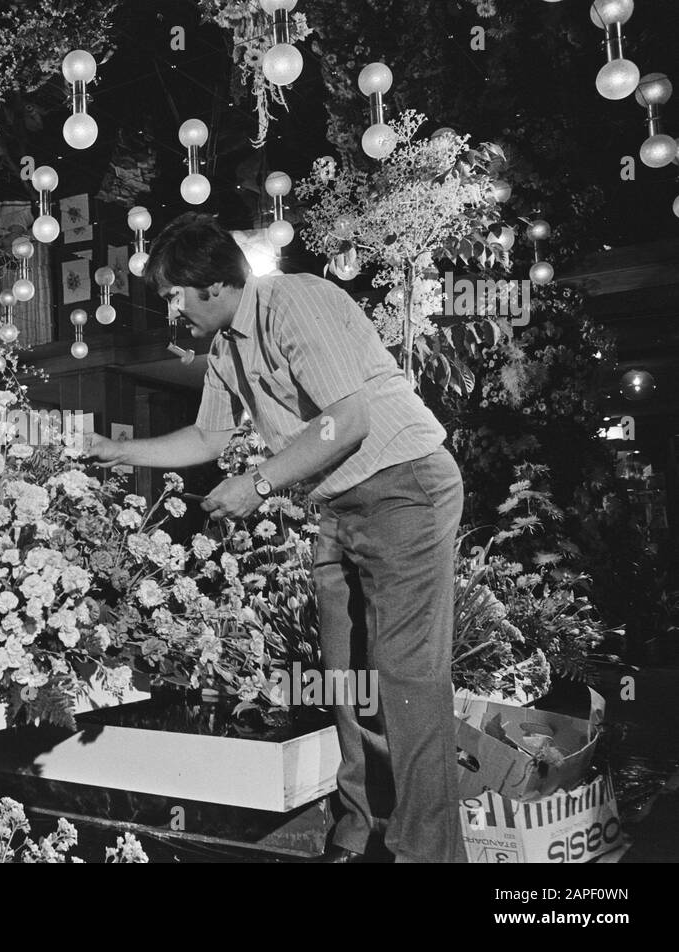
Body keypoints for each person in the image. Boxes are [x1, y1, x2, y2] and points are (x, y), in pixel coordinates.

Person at [84, 213, 465, 863]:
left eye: (175, 295)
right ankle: (358, 828)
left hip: (402, 486)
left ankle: (428, 854)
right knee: (346, 680)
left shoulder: (292, 302)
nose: (171, 310)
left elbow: (349, 417)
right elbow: (208, 438)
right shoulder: (228, 348)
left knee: (406, 677)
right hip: (338, 507)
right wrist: (117, 452)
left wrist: (258, 483)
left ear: (210, 285)